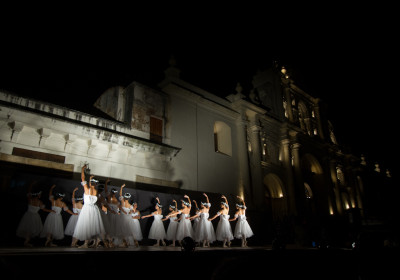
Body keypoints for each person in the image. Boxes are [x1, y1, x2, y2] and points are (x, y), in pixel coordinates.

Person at [72, 165, 107, 248]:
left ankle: (86, 243)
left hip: (87, 209)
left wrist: (82, 169)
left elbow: (83, 179)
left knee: (86, 225)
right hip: (94, 209)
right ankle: (94, 241)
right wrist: (90, 179)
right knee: (92, 226)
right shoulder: (96, 191)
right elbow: (100, 201)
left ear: (91, 183)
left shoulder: (87, 189)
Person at [16, 181, 54, 247]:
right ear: (38, 195)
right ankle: (27, 241)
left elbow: (28, 192)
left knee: (29, 229)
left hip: (29, 215)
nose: (40, 195)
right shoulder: (39, 202)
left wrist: (31, 185)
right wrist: (51, 211)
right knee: (30, 229)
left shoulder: (30, 199)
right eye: (40, 194)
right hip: (34, 216)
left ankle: (27, 241)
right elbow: (44, 209)